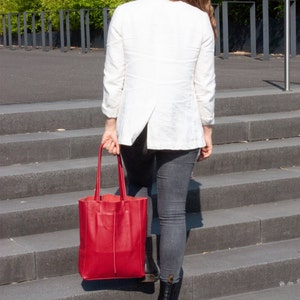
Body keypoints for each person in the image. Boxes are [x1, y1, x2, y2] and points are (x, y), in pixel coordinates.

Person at [101, 0, 216, 299]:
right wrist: (207, 127)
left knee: (138, 186)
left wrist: (110, 123)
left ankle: (141, 263)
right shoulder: (197, 18)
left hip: (135, 122)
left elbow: (114, 73)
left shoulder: (125, 12)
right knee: (174, 213)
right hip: (180, 120)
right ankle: (168, 288)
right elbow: (204, 82)